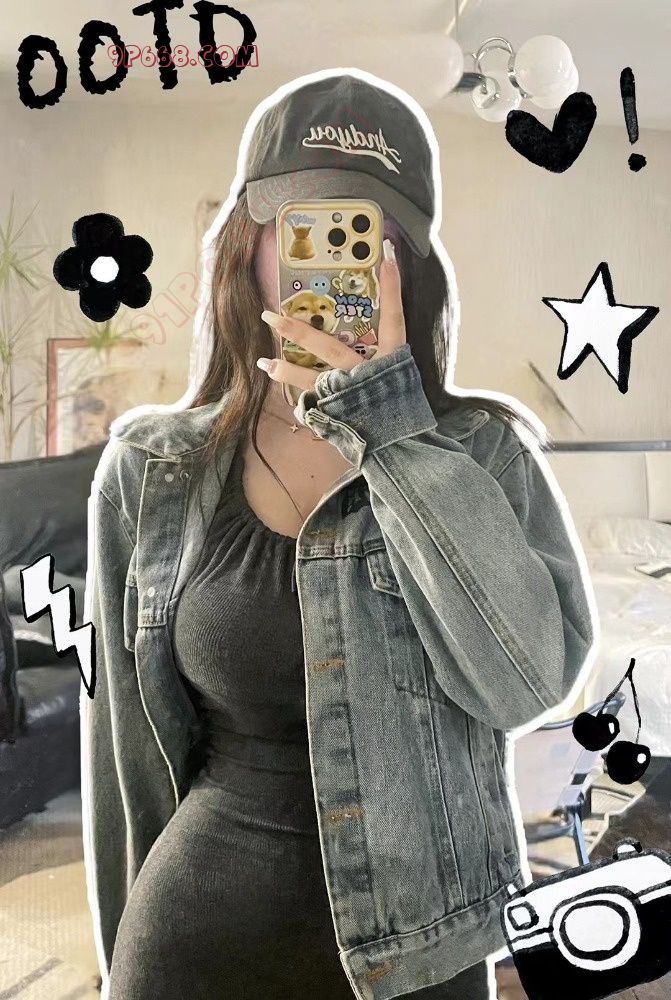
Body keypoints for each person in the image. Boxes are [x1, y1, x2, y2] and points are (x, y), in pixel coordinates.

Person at [81, 70, 595, 1000]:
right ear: (248, 245)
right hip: (197, 939)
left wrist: (389, 427)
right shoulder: (151, 470)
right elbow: (128, 762)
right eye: (305, 227)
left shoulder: (481, 454)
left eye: (367, 235)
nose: (333, 267)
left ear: (408, 268)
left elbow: (523, 683)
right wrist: (122, 962)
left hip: (420, 955)